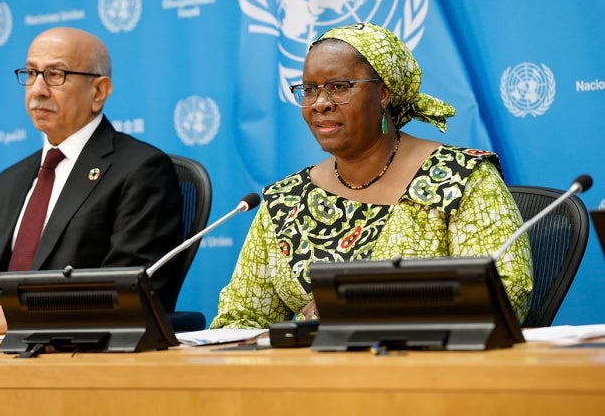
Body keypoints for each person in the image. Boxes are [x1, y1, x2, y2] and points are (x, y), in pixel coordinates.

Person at [211, 22, 532, 329]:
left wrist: (361, 309)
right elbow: (240, 318)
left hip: (430, 375)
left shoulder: (459, 177)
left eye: (338, 87)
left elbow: (504, 295)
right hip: (313, 378)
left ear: (383, 93)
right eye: (309, 90)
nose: (320, 103)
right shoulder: (285, 202)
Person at [0, 27, 183, 336]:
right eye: (30, 73)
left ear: (99, 91)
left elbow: (125, 295)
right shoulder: (10, 180)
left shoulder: (140, 170)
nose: (37, 89)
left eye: (55, 75)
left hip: (80, 360)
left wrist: (6, 319)